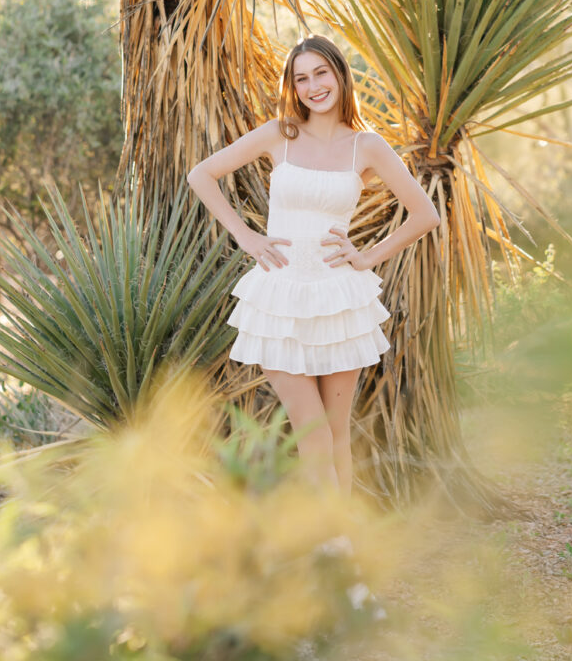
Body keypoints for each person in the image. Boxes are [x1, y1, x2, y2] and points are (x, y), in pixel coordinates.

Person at [187, 34, 440, 494]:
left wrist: (365, 258)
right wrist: (246, 235)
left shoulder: (367, 145)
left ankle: (340, 544)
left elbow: (425, 214)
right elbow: (200, 174)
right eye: (301, 78)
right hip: (279, 296)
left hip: (339, 296)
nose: (313, 86)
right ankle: (329, 540)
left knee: (336, 432)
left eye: (320, 73)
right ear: (293, 86)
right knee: (313, 432)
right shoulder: (278, 134)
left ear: (340, 74)